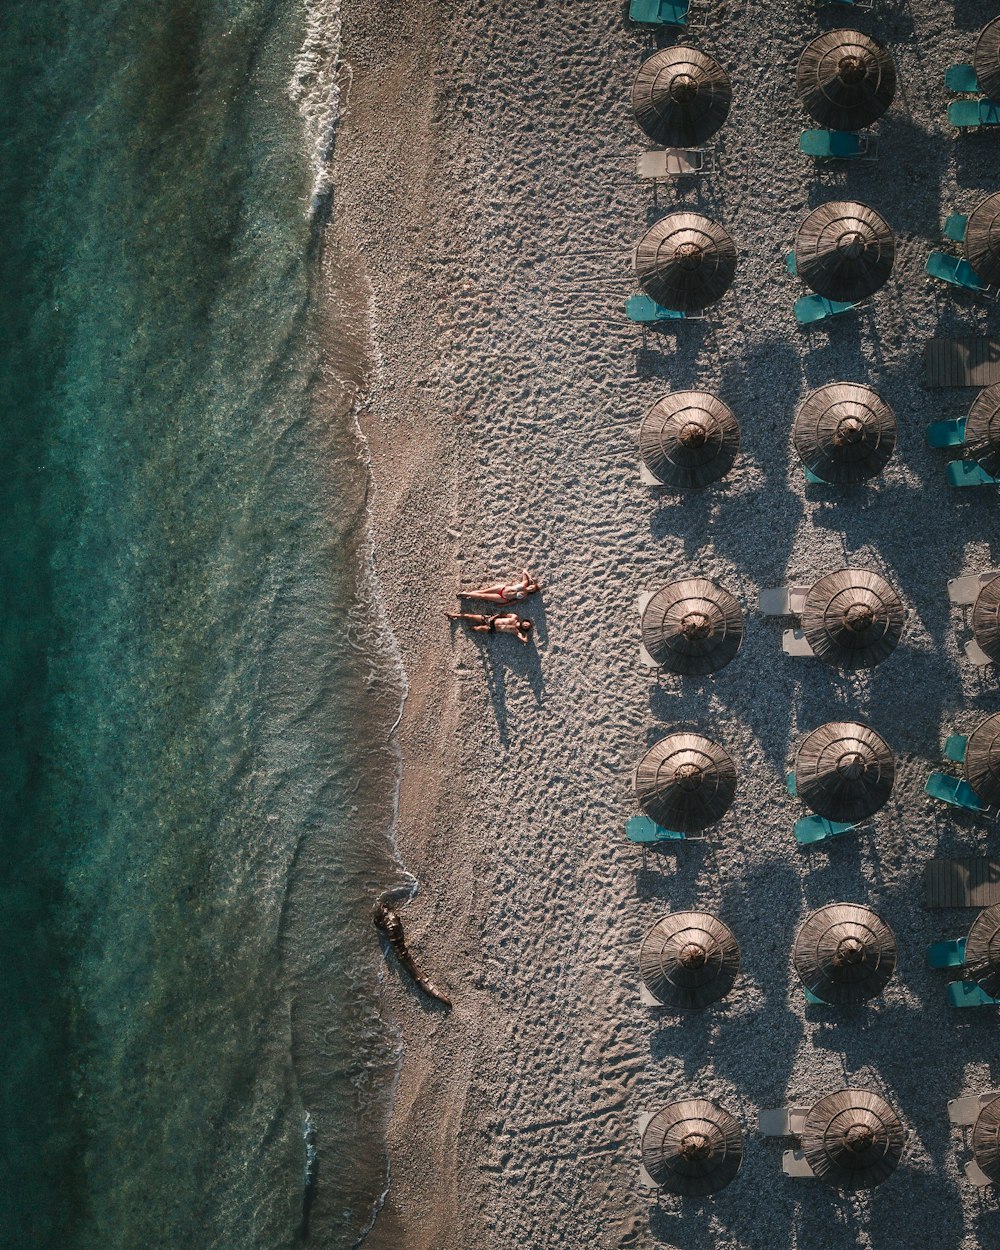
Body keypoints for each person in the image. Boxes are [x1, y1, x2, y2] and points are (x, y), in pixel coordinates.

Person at [457, 568, 541, 605]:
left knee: (482, 596)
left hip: (503, 598)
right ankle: (467, 594)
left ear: (532, 592)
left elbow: (514, 602)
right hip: (502, 588)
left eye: (532, 590)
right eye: (532, 587)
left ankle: (466, 594)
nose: (531, 588)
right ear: (531, 585)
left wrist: (504, 605)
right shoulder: (525, 582)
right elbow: (524, 571)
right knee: (483, 591)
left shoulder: (525, 596)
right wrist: (530, 577)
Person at [445, 611, 533, 645]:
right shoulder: (514, 617)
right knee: (470, 616)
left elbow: (523, 639)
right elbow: (502, 614)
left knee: (477, 628)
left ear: (524, 628)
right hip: (491, 620)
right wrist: (493, 617)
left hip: (493, 629)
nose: (525, 625)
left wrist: (526, 637)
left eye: (526, 626)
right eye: (526, 623)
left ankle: (467, 629)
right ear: (525, 621)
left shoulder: (516, 631)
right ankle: (453, 615)